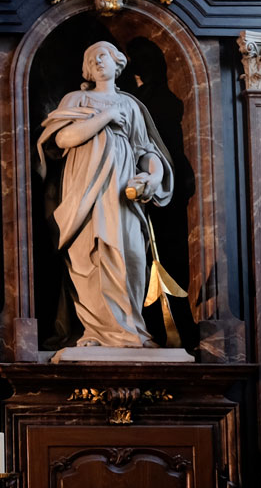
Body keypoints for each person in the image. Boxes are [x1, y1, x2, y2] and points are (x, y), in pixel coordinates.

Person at [37, 40, 175, 348]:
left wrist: (153, 176)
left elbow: (145, 150)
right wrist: (104, 118)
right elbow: (63, 138)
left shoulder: (130, 105)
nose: (98, 61)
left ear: (118, 64)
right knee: (91, 257)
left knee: (133, 255)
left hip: (122, 195)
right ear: (86, 69)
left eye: (104, 56)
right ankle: (98, 333)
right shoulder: (77, 98)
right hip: (85, 195)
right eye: (92, 58)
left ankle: (133, 330)